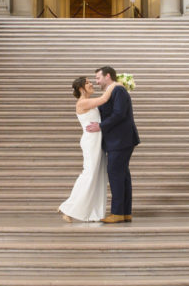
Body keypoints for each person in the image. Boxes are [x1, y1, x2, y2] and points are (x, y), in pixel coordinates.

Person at [57, 76, 118, 222]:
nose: (91, 84)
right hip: (91, 141)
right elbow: (103, 99)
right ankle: (68, 208)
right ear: (80, 88)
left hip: (97, 141)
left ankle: (83, 209)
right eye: (87, 83)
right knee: (89, 174)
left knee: (96, 175)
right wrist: (114, 85)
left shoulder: (88, 102)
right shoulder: (83, 102)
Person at [85, 66, 139, 223]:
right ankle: (124, 213)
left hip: (120, 140)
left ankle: (117, 213)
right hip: (119, 140)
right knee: (122, 176)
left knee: (115, 174)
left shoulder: (118, 90)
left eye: (98, 78)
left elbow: (119, 113)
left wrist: (100, 126)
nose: (96, 81)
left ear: (108, 76)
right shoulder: (112, 91)